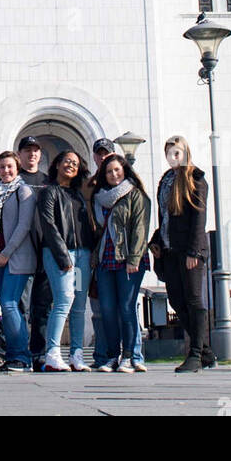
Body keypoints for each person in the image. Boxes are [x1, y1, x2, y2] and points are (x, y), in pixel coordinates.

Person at [149, 135, 209, 374]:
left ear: (185, 153)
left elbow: (198, 217)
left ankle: (195, 354)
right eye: (169, 153)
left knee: (193, 301)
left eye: (177, 153)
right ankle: (205, 352)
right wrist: (157, 240)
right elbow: (165, 216)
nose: (173, 157)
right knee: (176, 300)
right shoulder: (166, 179)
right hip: (170, 248)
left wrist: (194, 250)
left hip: (189, 250)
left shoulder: (196, 178)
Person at [92, 152, 151, 373]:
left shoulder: (135, 195)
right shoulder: (99, 198)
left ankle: (130, 355)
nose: (113, 174)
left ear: (124, 170)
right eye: (109, 171)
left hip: (128, 258)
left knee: (126, 307)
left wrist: (134, 258)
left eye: (117, 170)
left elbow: (140, 228)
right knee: (107, 309)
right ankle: (112, 356)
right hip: (106, 258)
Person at [38, 149, 95, 372]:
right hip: (59, 255)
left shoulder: (78, 194)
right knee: (63, 300)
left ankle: (76, 354)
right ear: (57, 164)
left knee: (79, 305)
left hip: (82, 257)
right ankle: (52, 353)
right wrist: (63, 256)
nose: (71, 165)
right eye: (67, 161)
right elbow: (48, 226)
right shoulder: (49, 192)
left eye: (75, 163)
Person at [0, 150, 36, 373]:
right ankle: (12, 355)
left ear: (17, 168)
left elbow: (23, 226)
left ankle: (22, 356)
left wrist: (6, 252)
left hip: (17, 258)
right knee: (6, 307)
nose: (6, 171)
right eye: (2, 167)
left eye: (10, 167)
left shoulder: (23, 191)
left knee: (9, 304)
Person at [17, 135, 52, 370]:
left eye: (36, 151)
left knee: (42, 306)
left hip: (45, 250)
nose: (32, 155)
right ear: (20, 154)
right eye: (28, 151)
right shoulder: (15, 180)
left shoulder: (49, 181)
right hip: (21, 251)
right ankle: (19, 352)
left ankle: (39, 352)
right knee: (20, 304)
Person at [87, 138, 115, 368]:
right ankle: (101, 355)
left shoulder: (125, 184)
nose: (102, 157)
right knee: (97, 307)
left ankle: (124, 353)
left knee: (121, 307)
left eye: (107, 153)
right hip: (94, 255)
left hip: (118, 254)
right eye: (99, 154)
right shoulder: (90, 185)